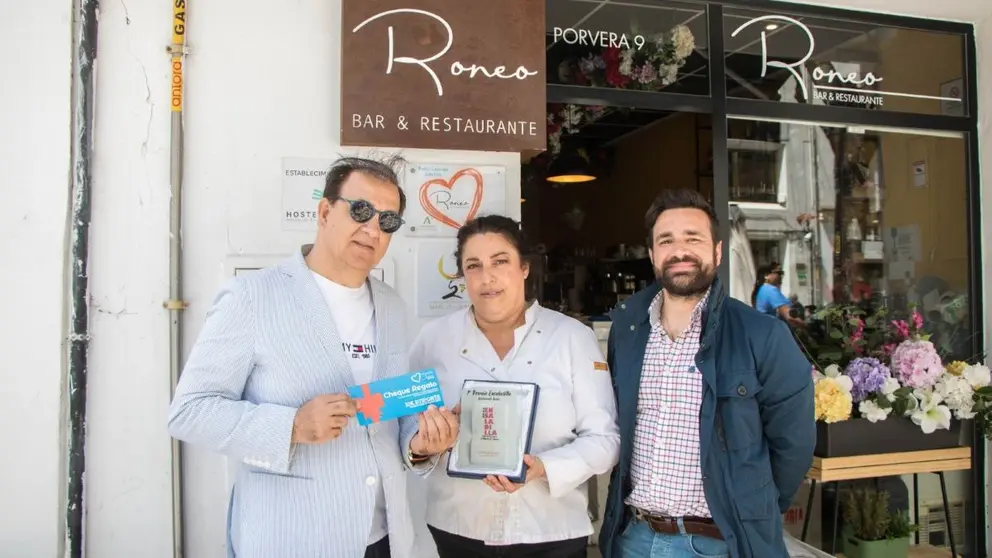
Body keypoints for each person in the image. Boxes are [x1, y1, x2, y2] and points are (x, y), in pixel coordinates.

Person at [168, 155, 459, 558]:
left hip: (384, 538)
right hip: (293, 538)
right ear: (324, 212)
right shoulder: (252, 297)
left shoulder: (391, 305)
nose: (373, 229)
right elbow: (190, 411)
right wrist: (292, 426)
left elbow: (390, 412)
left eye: (388, 220)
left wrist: (421, 444)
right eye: (361, 210)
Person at [598, 189, 815, 558]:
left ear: (717, 251)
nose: (679, 251)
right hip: (633, 538)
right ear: (652, 255)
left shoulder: (762, 335)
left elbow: (793, 447)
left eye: (693, 238)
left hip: (719, 544)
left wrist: (750, 512)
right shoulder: (628, 330)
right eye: (666, 240)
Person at [410, 215, 620, 558]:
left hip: (550, 532)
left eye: (500, 261)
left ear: (524, 268)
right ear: (462, 275)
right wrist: (426, 444)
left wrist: (543, 467)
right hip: (458, 529)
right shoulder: (433, 340)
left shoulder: (571, 338)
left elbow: (605, 439)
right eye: (473, 265)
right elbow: (407, 429)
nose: (487, 277)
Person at [752, 263, 804, 328]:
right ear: (766, 275)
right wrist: (805, 324)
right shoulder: (770, 290)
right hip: (773, 331)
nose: (781, 276)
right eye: (779, 273)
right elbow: (789, 316)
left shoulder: (762, 289)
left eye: (782, 273)